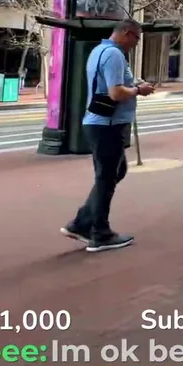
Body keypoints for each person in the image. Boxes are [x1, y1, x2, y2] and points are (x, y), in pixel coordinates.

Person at [62, 19, 155, 252]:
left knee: (115, 172)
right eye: (136, 38)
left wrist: (132, 84)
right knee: (106, 177)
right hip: (108, 125)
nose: (136, 43)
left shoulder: (99, 50)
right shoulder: (114, 54)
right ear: (126, 33)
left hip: (100, 123)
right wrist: (139, 90)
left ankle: (82, 222)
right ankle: (99, 233)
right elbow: (115, 93)